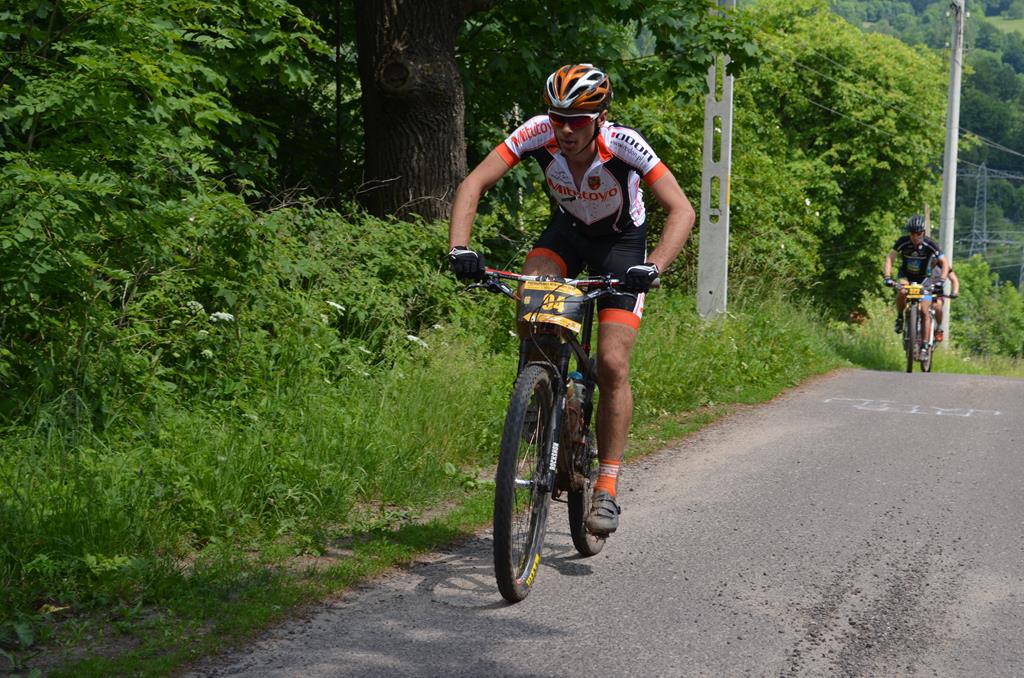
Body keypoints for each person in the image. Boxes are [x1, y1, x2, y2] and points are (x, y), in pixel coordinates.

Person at [447, 64, 696, 536]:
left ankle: (607, 487)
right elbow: (472, 184)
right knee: (532, 296)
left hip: (622, 245)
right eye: (558, 118)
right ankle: (540, 397)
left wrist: (654, 267)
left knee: (612, 363)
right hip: (568, 234)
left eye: (577, 120)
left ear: (600, 118)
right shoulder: (536, 133)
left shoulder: (624, 144)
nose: (565, 129)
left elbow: (681, 209)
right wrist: (460, 248)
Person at [883, 215, 948, 359]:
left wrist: (941, 281)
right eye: (912, 233)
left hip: (924, 279)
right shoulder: (903, 242)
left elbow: (945, 263)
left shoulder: (930, 244)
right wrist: (887, 276)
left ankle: (924, 346)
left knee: (925, 311)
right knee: (902, 291)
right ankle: (900, 317)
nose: (915, 237)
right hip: (906, 276)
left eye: (918, 233)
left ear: (923, 232)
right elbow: (890, 258)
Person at [926, 255, 960, 343]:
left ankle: (938, 328)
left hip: (937, 293)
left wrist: (955, 292)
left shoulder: (943, 266)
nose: (932, 261)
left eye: (934, 259)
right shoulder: (922, 263)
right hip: (923, 291)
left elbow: (954, 280)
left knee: (938, 306)